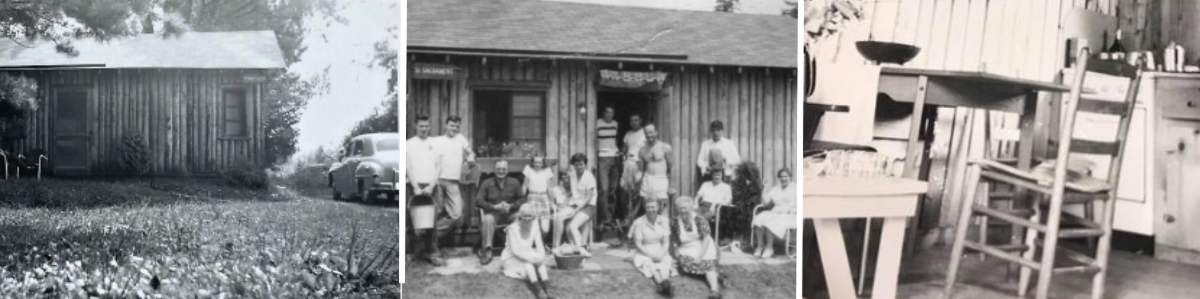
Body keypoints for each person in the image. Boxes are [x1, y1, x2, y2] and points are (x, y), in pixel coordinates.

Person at [406, 115, 446, 266]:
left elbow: (439, 167)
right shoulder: (408, 144)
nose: (424, 129)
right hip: (413, 185)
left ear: (429, 127)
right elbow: (408, 166)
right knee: (411, 220)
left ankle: (432, 252)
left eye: (426, 126)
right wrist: (415, 186)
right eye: (421, 126)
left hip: (431, 186)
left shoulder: (435, 144)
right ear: (416, 126)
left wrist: (431, 186)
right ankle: (412, 252)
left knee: (432, 221)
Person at [500, 204, 556, 299]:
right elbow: (515, 251)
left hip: (527, 252)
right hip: (512, 257)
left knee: (540, 263)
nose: (527, 218)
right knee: (528, 266)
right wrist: (531, 260)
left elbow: (539, 245)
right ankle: (538, 291)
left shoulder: (534, 225)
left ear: (533, 216)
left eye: (530, 216)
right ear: (520, 216)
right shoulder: (512, 228)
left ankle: (548, 290)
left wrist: (541, 257)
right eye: (525, 216)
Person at [672, 196, 722, 299]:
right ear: (677, 210)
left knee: (707, 263)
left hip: (703, 246)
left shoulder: (699, 219)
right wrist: (676, 252)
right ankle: (712, 273)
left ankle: (714, 290)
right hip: (687, 248)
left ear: (691, 208)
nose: (683, 212)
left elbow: (706, 239)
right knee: (683, 261)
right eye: (680, 209)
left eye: (685, 209)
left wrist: (700, 257)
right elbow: (675, 240)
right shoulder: (676, 222)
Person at [476, 160, 525, 265]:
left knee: (519, 217)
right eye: (498, 169)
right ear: (494, 169)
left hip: (510, 213)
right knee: (488, 219)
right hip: (494, 214)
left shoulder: (514, 182)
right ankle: (487, 251)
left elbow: (521, 199)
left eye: (503, 169)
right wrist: (493, 206)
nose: (501, 171)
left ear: (507, 170)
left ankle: (519, 249)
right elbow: (479, 200)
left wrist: (511, 206)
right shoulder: (487, 183)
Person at [433, 116, 475, 234]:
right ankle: (433, 241)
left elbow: (470, 152)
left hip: (453, 181)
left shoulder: (461, 139)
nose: (454, 128)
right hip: (438, 180)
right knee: (437, 209)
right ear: (446, 125)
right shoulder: (437, 140)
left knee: (456, 213)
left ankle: (438, 232)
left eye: (457, 126)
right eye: (452, 125)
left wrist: (470, 159)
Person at [628, 199, 676, 296]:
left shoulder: (664, 220)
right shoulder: (639, 222)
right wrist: (650, 255)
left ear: (658, 208)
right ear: (645, 208)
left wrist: (662, 253)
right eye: (648, 207)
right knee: (649, 264)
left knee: (664, 263)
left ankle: (665, 282)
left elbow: (666, 241)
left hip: (660, 247)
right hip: (644, 249)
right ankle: (661, 283)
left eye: (653, 207)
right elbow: (638, 243)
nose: (651, 209)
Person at [752, 168, 796, 258]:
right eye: (781, 177)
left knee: (770, 221)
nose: (783, 179)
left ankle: (769, 248)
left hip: (790, 214)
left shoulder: (795, 188)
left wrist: (789, 210)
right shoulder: (776, 188)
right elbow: (766, 202)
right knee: (759, 218)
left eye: (786, 176)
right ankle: (760, 246)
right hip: (776, 212)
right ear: (779, 178)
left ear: (790, 177)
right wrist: (764, 189)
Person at [562, 153, 597, 256]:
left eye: (581, 164)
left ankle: (581, 250)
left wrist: (576, 210)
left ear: (585, 164)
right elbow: (572, 192)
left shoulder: (589, 176)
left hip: (588, 207)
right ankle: (575, 249)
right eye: (576, 164)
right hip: (576, 205)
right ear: (573, 165)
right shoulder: (572, 175)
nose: (579, 167)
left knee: (572, 226)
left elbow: (589, 198)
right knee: (567, 228)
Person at [638, 123, 672, 212]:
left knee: (663, 205)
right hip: (647, 178)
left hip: (661, 178)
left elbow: (672, 166)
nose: (649, 135)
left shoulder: (665, 147)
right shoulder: (642, 150)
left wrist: (671, 185)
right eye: (647, 133)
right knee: (647, 205)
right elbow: (641, 169)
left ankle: (664, 224)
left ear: (656, 132)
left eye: (651, 132)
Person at [620, 113, 646, 226]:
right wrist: (622, 157)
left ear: (640, 120)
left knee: (638, 191)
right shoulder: (628, 134)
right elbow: (624, 149)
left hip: (639, 163)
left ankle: (635, 217)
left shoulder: (645, 133)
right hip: (628, 163)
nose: (634, 122)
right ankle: (627, 217)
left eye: (636, 120)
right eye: (632, 120)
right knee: (625, 191)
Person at [596, 106, 620, 227]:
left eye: (612, 112)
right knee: (603, 189)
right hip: (603, 158)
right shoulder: (597, 123)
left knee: (613, 189)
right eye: (607, 112)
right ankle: (603, 218)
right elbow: (594, 140)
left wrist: (618, 152)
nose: (610, 115)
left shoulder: (616, 124)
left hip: (615, 158)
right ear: (603, 113)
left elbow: (615, 140)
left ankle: (610, 217)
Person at [695, 168, 732, 241]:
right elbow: (698, 196)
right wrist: (695, 203)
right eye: (715, 175)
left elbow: (728, 201)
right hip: (703, 206)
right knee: (693, 216)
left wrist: (714, 206)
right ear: (712, 175)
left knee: (701, 218)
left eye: (719, 175)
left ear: (722, 176)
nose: (717, 177)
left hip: (718, 208)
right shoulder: (705, 184)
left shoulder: (726, 187)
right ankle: (695, 238)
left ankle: (703, 239)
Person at [523, 156, 556, 231]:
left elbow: (549, 187)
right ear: (532, 163)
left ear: (543, 163)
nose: (537, 164)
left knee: (545, 221)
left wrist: (552, 201)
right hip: (532, 196)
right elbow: (525, 185)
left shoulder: (546, 171)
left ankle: (544, 240)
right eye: (535, 162)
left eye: (539, 162)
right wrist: (521, 199)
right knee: (533, 220)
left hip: (543, 196)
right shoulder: (529, 170)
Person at [550, 168, 573, 248]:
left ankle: (556, 246)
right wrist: (554, 207)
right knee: (558, 216)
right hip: (559, 211)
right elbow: (551, 202)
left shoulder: (575, 189)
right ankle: (556, 245)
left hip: (572, 210)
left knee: (559, 217)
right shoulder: (556, 189)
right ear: (560, 178)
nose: (565, 178)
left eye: (567, 176)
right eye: (563, 176)